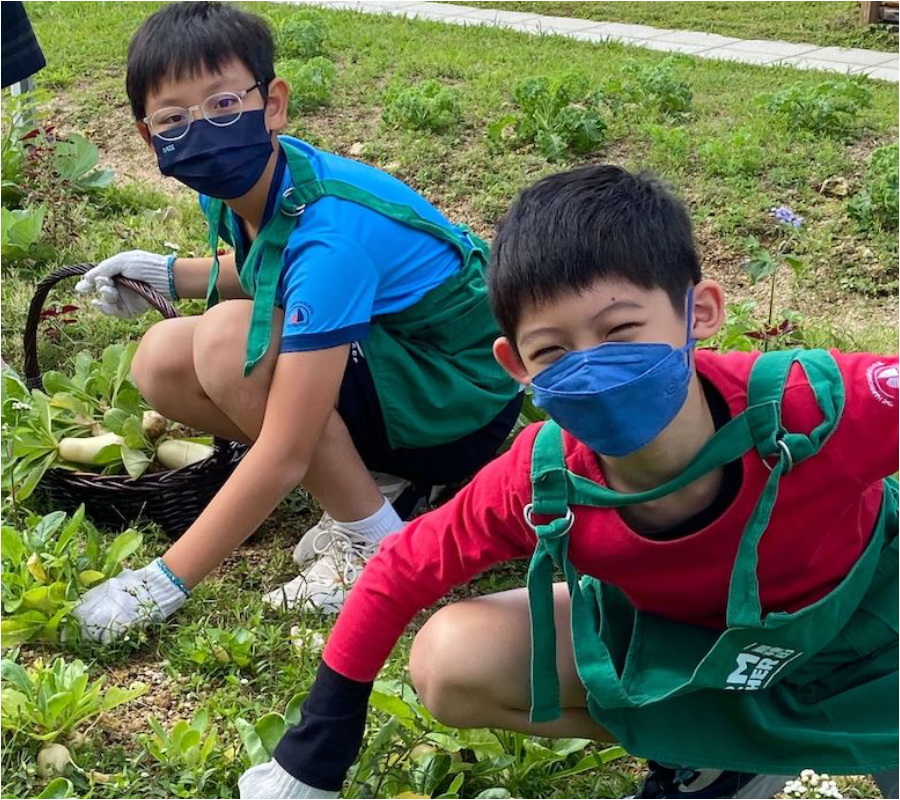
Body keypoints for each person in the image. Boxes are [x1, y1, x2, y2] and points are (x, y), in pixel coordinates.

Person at [238, 165, 899, 799]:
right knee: (450, 661)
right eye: (553, 350)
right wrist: (316, 745)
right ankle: (706, 754)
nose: (594, 368)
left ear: (699, 312)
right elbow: (402, 566)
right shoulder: (545, 478)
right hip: (701, 657)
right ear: (515, 365)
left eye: (620, 330)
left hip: (873, 637)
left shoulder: (812, 408)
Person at [71, 1, 521, 639]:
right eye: (174, 118)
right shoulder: (248, 182)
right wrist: (164, 273)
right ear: (150, 138)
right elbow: (268, 263)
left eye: (223, 105)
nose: (201, 129)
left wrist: (160, 583)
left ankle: (374, 541)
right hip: (395, 363)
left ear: (272, 103)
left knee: (232, 342)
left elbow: (283, 450)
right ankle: (377, 481)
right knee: (162, 357)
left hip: (458, 402)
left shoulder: (332, 232)